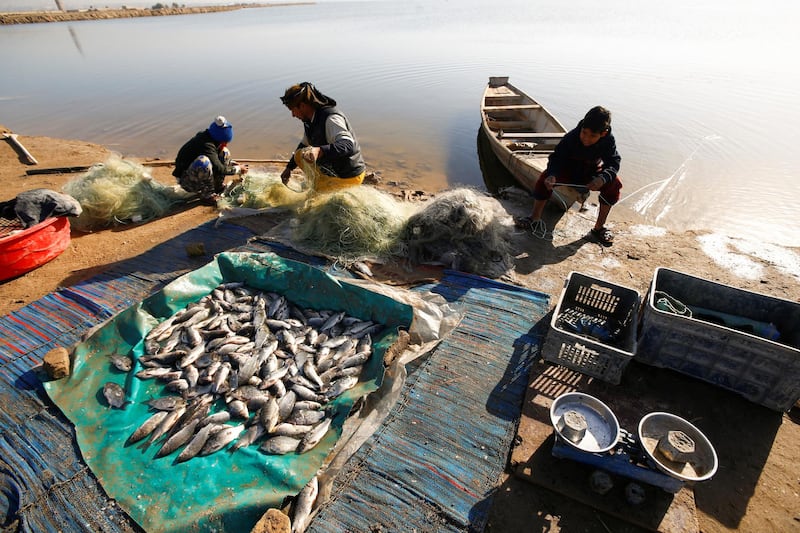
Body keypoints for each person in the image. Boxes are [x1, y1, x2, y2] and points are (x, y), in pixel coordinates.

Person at [516, 106, 622, 246]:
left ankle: (598, 228)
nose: (586, 139)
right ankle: (534, 218)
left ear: (603, 133)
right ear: (582, 127)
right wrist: (553, 174)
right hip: (568, 170)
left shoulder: (608, 140)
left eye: (592, 136)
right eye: (584, 133)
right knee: (544, 178)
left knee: (614, 183)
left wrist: (602, 178)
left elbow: (613, 163)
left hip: (590, 173)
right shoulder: (571, 137)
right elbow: (556, 158)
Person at [279, 82, 366, 193]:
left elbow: (348, 145)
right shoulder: (309, 120)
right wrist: (289, 168)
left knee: (313, 202)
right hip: (332, 168)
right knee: (299, 155)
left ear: (302, 106)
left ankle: (325, 186)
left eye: (292, 110)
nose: (293, 115)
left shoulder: (331, 118)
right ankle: (320, 180)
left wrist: (320, 150)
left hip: (348, 175)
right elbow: (304, 144)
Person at [172, 116, 248, 203]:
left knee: (225, 152)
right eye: (225, 142)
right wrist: (238, 169)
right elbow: (219, 169)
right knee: (204, 162)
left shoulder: (211, 138)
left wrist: (231, 164)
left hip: (195, 172)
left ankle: (217, 186)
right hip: (187, 181)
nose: (226, 145)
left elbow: (215, 160)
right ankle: (207, 196)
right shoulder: (206, 145)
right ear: (220, 139)